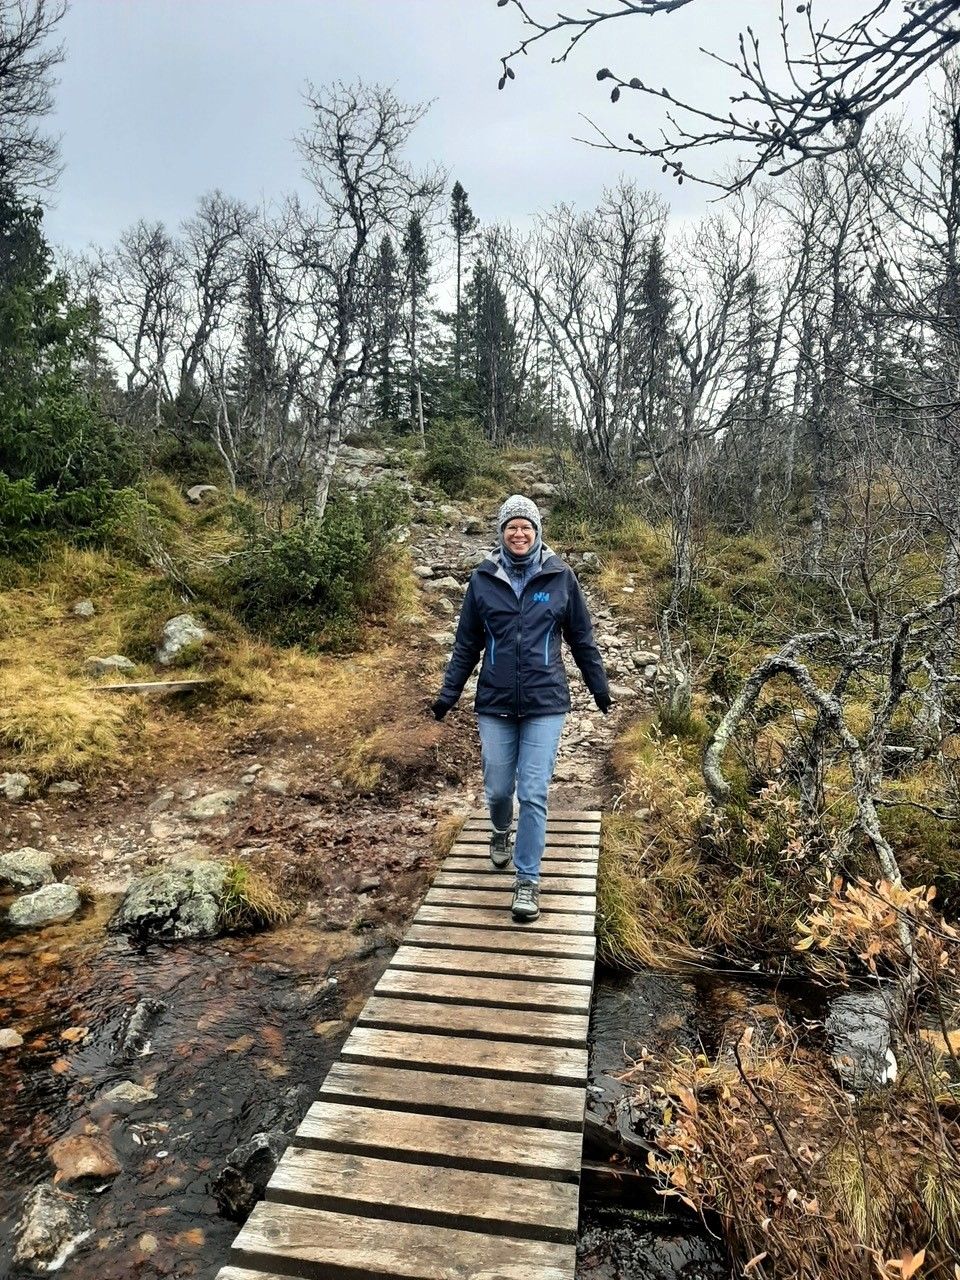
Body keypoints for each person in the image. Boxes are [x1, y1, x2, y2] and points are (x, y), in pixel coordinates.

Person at [431, 494, 611, 922]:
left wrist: (599, 688)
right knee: (497, 789)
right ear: (501, 532)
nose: (519, 533)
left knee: (533, 793)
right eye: (511, 526)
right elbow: (465, 646)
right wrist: (447, 696)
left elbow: (582, 640)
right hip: (494, 702)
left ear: (537, 531)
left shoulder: (560, 577)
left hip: (545, 702)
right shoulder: (482, 580)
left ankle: (527, 881)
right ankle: (498, 832)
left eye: (525, 526)